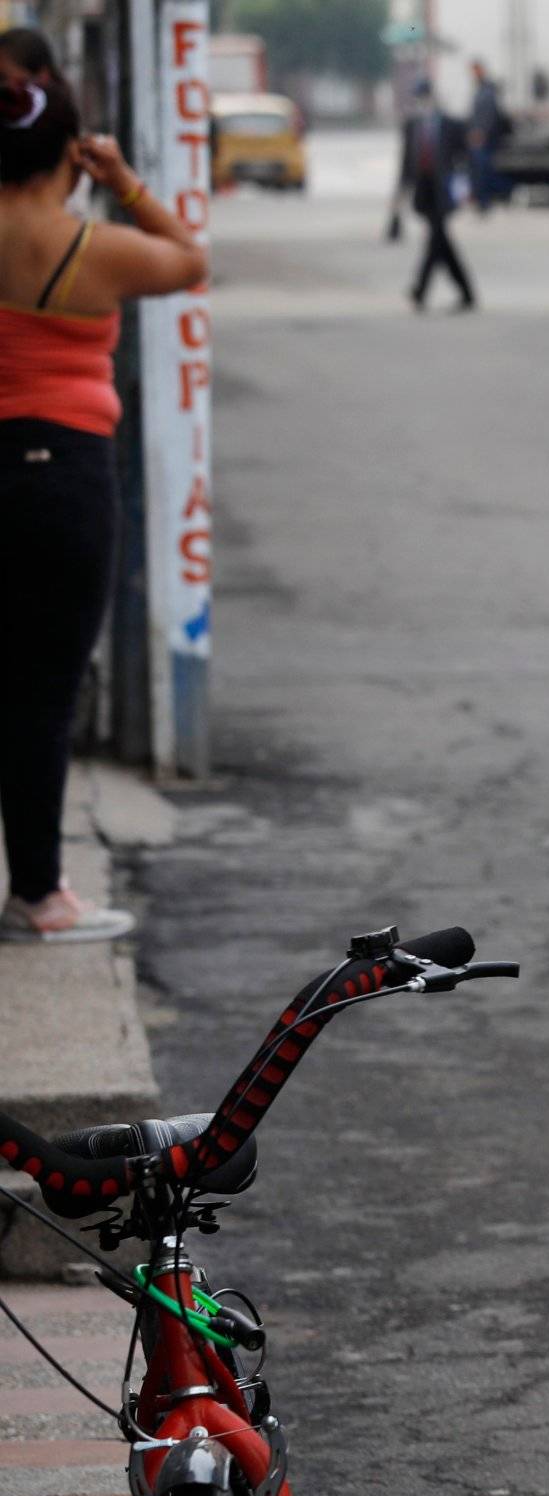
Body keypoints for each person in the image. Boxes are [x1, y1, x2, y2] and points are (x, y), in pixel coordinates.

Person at [0, 74, 203, 945]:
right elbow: (190, 260)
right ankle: (39, 896)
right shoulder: (97, 246)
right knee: (42, 692)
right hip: (64, 479)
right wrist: (124, 182)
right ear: (70, 154)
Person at [396, 79, 476, 311]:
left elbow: (464, 160)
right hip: (424, 190)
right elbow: (406, 162)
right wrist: (400, 193)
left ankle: (420, 290)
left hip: (444, 190)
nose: (423, 103)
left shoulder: (451, 125)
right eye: (419, 98)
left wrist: (465, 189)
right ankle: (466, 293)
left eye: (425, 97)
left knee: (436, 238)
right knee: (441, 242)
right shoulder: (412, 126)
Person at [465, 60, 507, 214]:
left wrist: (481, 132)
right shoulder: (480, 89)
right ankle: (482, 200)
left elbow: (489, 115)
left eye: (475, 71)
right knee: (480, 170)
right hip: (479, 137)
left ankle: (486, 201)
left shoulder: (487, 91)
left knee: (484, 170)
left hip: (484, 138)